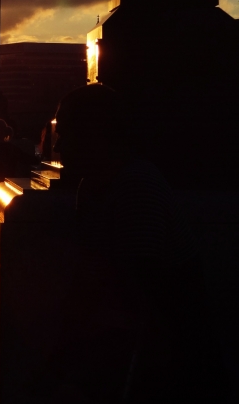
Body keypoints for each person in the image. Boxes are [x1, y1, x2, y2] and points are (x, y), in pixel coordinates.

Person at [49, 83, 224, 403]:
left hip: (160, 362)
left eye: (66, 132)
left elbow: (137, 291)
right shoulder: (103, 183)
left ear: (96, 134)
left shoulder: (132, 187)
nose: (59, 146)